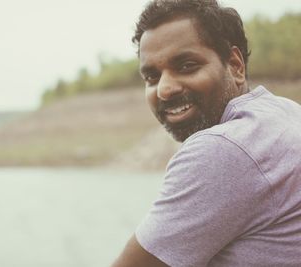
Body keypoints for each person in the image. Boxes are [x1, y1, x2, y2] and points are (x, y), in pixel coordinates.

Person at [111, 0, 301, 266]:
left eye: (187, 66)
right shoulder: (286, 113)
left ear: (235, 65)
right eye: (152, 77)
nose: (164, 89)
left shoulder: (223, 148)